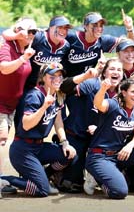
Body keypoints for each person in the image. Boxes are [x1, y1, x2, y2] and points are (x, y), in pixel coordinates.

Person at [1, 63, 77, 197]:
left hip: (39, 147)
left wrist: (65, 142)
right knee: (42, 191)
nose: (57, 79)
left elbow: (58, 121)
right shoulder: (35, 95)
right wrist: (43, 107)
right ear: (43, 78)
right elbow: (26, 125)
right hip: (23, 150)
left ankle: (44, 177)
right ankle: (6, 180)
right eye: (52, 76)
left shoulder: (57, 95)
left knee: (69, 155)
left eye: (59, 76)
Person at [52, 58, 121, 193]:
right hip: (77, 135)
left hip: (97, 141)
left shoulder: (122, 93)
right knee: (71, 184)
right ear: (104, 73)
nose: (116, 72)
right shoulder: (93, 84)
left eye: (119, 70)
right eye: (112, 69)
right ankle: (50, 171)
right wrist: (85, 76)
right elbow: (64, 88)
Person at [0, 17, 37, 195]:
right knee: (1, 139)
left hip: (12, 105)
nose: (32, 35)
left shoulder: (28, 46)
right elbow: (5, 68)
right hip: (0, 102)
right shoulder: (7, 46)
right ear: (18, 31)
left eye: (34, 32)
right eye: (29, 31)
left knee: (2, 140)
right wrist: (23, 58)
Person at [2, 15, 72, 89]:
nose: (63, 31)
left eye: (66, 28)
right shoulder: (38, 37)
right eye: (60, 27)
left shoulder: (66, 45)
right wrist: (16, 36)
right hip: (28, 86)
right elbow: (6, 33)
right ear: (51, 27)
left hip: (46, 89)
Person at [63, 11, 134, 77]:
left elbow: (129, 43)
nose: (99, 28)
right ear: (85, 26)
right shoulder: (71, 37)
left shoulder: (104, 41)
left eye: (101, 25)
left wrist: (129, 28)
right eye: (95, 25)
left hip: (88, 82)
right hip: (66, 81)